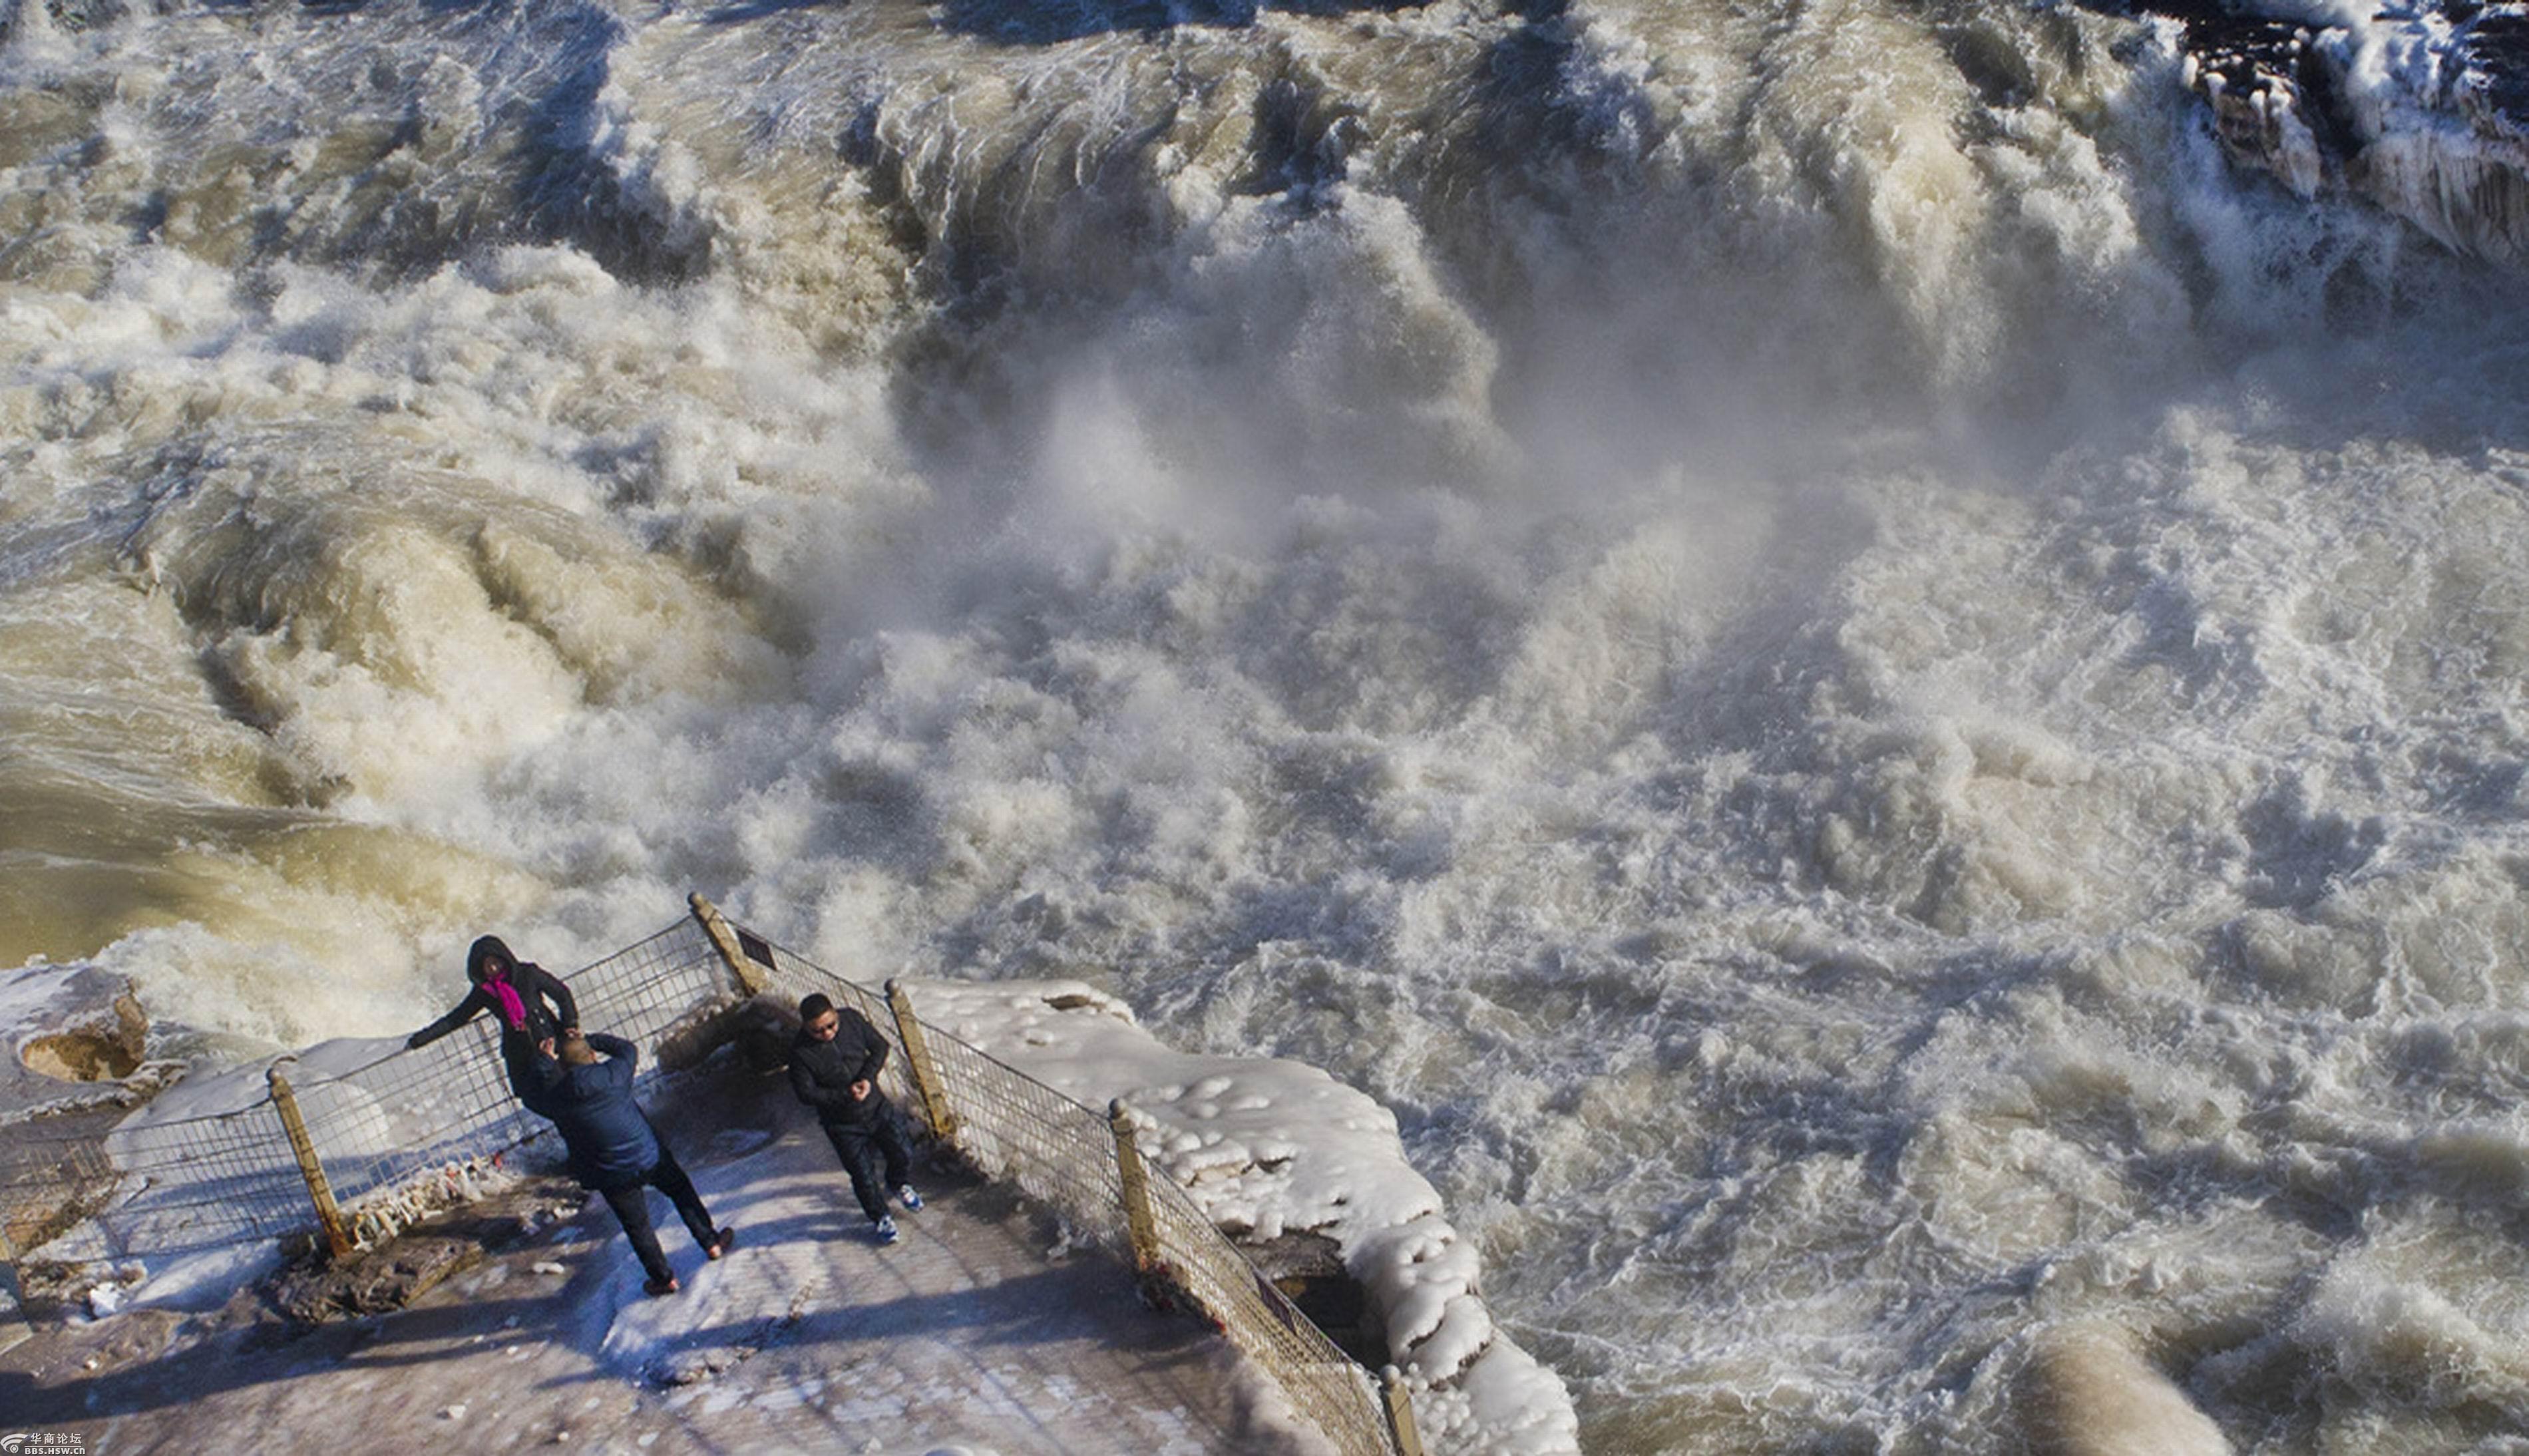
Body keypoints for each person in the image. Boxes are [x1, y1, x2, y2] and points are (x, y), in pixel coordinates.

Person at [529, 1031, 731, 1296]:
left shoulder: (556, 1097)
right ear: (592, 1056)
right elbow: (626, 1048)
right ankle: (711, 1242)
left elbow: (533, 1093)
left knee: (638, 1227)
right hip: (648, 1155)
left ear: (562, 1066)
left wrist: (545, 1060)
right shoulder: (614, 1075)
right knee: (680, 1190)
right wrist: (590, 1038)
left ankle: (664, 1279)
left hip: (611, 1173)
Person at [789, 992, 921, 1244]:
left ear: (836, 1015)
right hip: (842, 1125)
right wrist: (844, 1095)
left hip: (877, 1107)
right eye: (818, 1031)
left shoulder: (851, 1019)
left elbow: (880, 1047)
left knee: (903, 1151)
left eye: (831, 1026)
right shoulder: (799, 1053)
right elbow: (806, 1094)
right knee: (863, 1175)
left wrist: (867, 1078)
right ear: (806, 1027)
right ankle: (880, 1216)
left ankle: (898, 1182)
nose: (827, 1034)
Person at [406, 936, 579, 1108]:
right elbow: (456, 1018)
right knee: (538, 1099)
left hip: (549, 1039)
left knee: (570, 1086)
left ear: (505, 958)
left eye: (496, 962)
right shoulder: (485, 992)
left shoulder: (528, 974)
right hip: (520, 1052)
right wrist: (419, 1040)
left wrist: (569, 1024)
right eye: (487, 966)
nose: (493, 968)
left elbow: (562, 994)